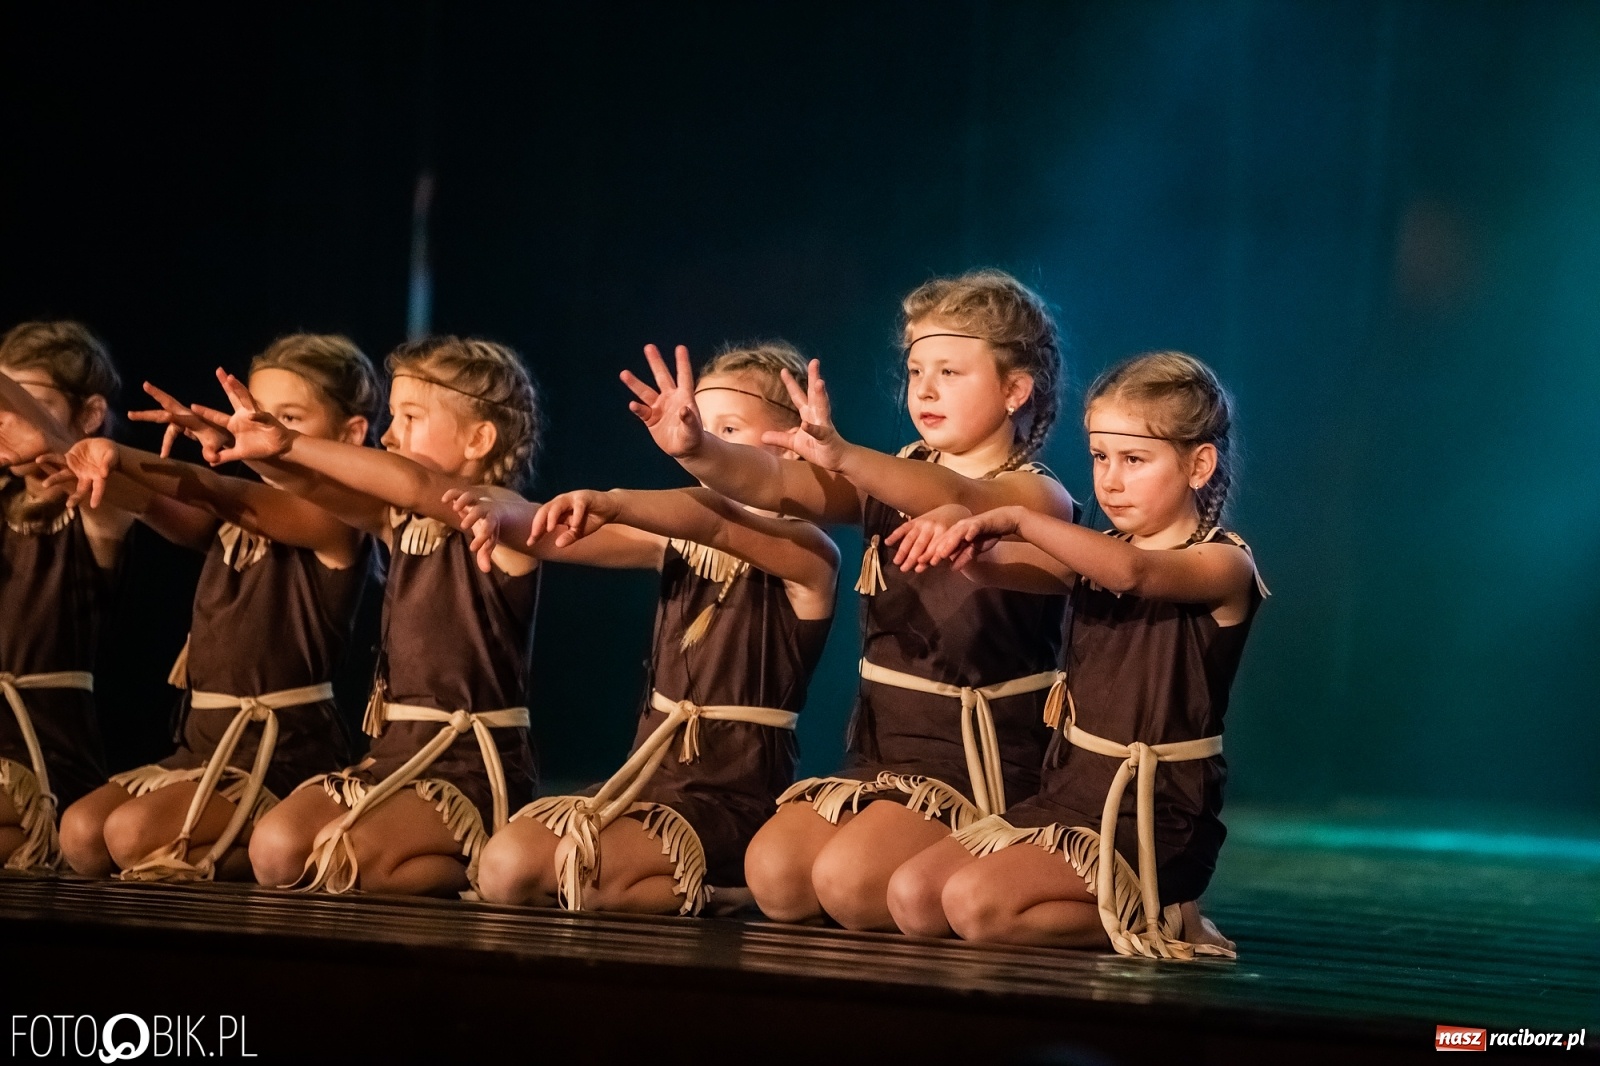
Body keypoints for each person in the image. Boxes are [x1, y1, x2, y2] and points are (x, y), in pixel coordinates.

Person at [623, 270, 1075, 930]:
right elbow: (779, 482)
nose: (924, 387)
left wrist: (845, 455)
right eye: (916, 368)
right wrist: (701, 450)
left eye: (950, 371)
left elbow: (965, 501)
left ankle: (955, 879)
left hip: (978, 763)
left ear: (1014, 390)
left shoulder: (1037, 496)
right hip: (886, 755)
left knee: (848, 882)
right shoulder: (889, 476)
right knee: (775, 875)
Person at [890, 351, 1265, 959]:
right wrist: (960, 528)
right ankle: (1123, 911)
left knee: (977, 907)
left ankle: (1160, 915)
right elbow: (988, 567)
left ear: (1199, 465)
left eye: (1134, 460)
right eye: (1099, 457)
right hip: (1070, 793)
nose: (1110, 481)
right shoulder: (1095, 554)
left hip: (1151, 813)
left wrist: (1015, 516)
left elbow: (1133, 571)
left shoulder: (1223, 564)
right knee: (912, 896)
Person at [457, 342, 838, 915]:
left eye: (725, 430)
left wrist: (616, 499)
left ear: (793, 446)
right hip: (648, 783)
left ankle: (730, 885)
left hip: (729, 796)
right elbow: (552, 534)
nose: (703, 445)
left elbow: (717, 524)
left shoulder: (810, 556)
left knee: (577, 882)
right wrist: (501, 515)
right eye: (696, 427)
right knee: (505, 867)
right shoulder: (678, 535)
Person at [193, 335, 541, 896]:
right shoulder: (396, 522)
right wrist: (265, 452)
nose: (389, 433)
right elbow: (315, 487)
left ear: (480, 437)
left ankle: (478, 856)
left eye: (409, 416)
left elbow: (418, 483)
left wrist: (288, 441)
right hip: (395, 755)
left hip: (466, 768)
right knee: (277, 850)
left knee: (343, 863)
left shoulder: (515, 527)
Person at [56, 334, 380, 881]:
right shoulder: (231, 517)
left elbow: (222, 494)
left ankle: (282, 855)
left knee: (131, 834)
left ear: (351, 432)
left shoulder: (338, 521)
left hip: (278, 750)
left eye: (288, 418)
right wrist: (103, 472)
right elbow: (164, 501)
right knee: (81, 834)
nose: (258, 429)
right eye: (250, 415)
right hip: (204, 743)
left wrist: (123, 454)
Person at [0, 321, 133, 871]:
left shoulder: (99, 502)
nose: (6, 416)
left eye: (26, 400)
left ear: (87, 413)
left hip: (39, 751)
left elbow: (109, 493)